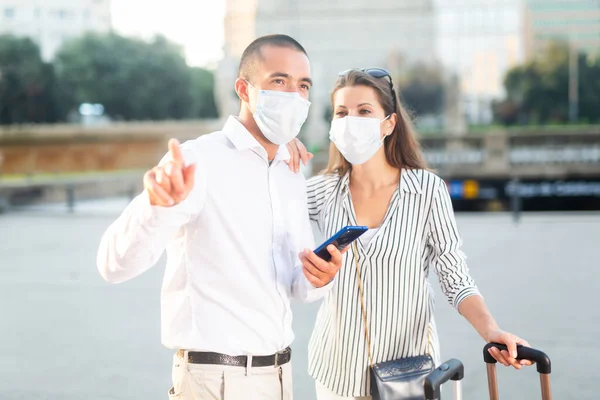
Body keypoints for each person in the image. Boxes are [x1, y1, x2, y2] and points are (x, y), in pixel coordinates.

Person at [96, 34, 345, 400]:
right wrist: (155, 207)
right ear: (244, 89)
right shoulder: (197, 161)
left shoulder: (292, 171)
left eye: (303, 85)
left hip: (279, 378)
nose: (294, 95)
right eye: (279, 81)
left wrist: (319, 277)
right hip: (214, 381)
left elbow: (295, 285)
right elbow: (112, 266)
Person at [285, 68, 533, 400]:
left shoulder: (427, 190)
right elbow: (263, 205)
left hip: (408, 375)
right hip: (336, 375)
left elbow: (454, 275)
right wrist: (280, 149)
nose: (349, 121)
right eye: (341, 113)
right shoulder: (323, 191)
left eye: (364, 111)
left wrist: (492, 331)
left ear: (389, 123)